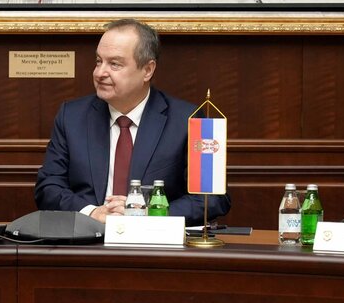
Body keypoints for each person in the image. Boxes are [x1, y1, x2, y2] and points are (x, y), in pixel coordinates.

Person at [35, 18, 231, 223]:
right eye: (99, 61)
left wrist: (149, 214)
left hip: (153, 239)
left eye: (114, 64)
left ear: (147, 70)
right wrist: (92, 213)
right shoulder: (71, 116)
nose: (99, 73)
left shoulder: (188, 119)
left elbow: (214, 197)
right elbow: (48, 187)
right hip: (89, 236)